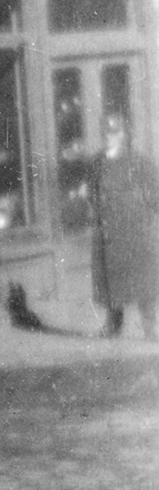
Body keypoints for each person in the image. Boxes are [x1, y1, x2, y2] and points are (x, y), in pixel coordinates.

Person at [89, 114, 159, 340]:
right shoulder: (97, 162)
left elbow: (155, 191)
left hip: (134, 229)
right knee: (110, 278)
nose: (109, 137)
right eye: (106, 133)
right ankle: (113, 324)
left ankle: (151, 326)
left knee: (143, 278)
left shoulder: (138, 161)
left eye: (115, 133)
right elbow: (92, 192)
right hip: (108, 230)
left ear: (124, 135)